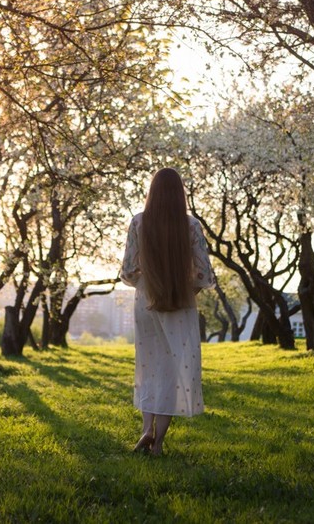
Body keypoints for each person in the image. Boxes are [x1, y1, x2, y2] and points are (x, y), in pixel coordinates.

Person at [119, 168, 214, 456]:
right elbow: (205, 274)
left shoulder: (138, 222)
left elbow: (126, 271)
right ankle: (158, 443)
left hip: (146, 301)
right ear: (179, 194)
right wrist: (186, 291)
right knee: (173, 371)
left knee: (149, 367)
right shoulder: (191, 225)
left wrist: (147, 284)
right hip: (179, 300)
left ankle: (146, 429)